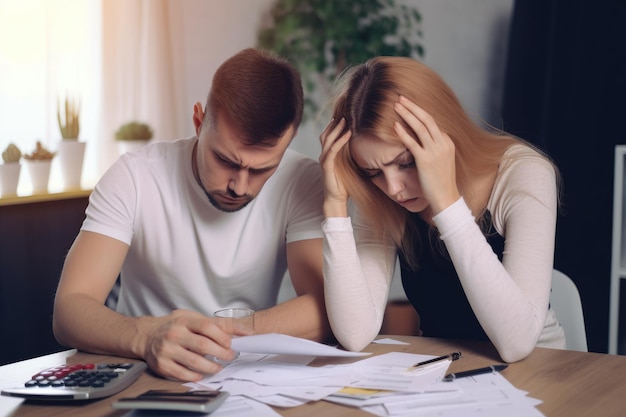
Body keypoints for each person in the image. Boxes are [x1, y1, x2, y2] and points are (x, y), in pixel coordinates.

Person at [53, 48, 330, 382]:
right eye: (226, 161)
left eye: (262, 169)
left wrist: (223, 334)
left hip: (244, 376)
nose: (240, 186)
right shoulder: (134, 176)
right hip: (140, 371)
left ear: (288, 142)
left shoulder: (302, 180)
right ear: (199, 121)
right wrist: (146, 336)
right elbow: (69, 309)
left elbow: (325, 307)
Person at [319, 56, 566, 363]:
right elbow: (354, 334)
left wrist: (446, 201)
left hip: (542, 367)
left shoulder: (524, 172)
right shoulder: (380, 196)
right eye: (373, 172)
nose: (393, 187)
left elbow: (517, 343)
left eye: (406, 163)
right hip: (447, 367)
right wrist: (334, 205)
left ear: (443, 135)